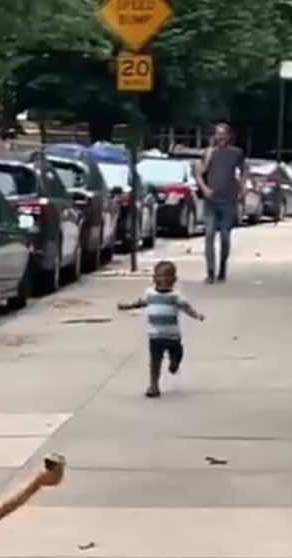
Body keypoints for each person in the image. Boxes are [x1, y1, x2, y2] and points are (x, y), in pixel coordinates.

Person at [118, 260, 205, 398]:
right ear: (154, 278)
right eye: (160, 276)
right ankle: (154, 385)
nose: (163, 279)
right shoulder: (150, 294)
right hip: (155, 336)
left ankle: (174, 362)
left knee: (177, 353)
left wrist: (197, 315)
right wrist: (127, 306)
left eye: (167, 276)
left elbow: (186, 308)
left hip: (172, 336)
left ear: (174, 279)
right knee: (154, 362)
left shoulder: (176, 296)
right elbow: (140, 303)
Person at [196, 121, 246, 283]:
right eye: (218, 134)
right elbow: (198, 173)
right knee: (209, 235)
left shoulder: (236, 153)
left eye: (223, 134)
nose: (221, 137)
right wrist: (204, 189)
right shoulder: (209, 153)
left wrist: (243, 189)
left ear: (229, 136)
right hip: (211, 201)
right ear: (215, 136)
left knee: (225, 237)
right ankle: (210, 272)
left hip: (228, 200)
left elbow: (244, 171)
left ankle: (222, 269)